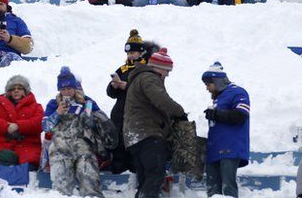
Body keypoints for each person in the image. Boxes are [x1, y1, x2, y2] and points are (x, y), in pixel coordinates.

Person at [42, 66, 114, 198]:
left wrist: (89, 118)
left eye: (69, 88)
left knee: (89, 180)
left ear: (75, 87)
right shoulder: (53, 104)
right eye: (63, 89)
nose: (67, 92)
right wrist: (57, 113)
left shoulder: (87, 102)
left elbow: (102, 124)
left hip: (84, 148)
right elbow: (45, 127)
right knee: (61, 188)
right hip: (60, 149)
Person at [124, 49, 186, 198]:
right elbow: (161, 99)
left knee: (146, 178)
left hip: (135, 135)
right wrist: (180, 112)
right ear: (158, 67)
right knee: (156, 175)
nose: (167, 75)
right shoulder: (149, 78)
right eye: (166, 70)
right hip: (147, 134)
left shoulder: (140, 78)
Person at [105, 30, 157, 174]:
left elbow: (146, 92)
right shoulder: (122, 69)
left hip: (137, 115)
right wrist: (114, 86)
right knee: (118, 147)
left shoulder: (147, 69)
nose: (130, 56)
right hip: (120, 115)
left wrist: (127, 87)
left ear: (141, 53)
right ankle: (118, 176)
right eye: (128, 53)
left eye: (133, 53)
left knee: (134, 148)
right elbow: (110, 94)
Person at [201, 62, 250, 198]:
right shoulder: (219, 98)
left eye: (208, 84)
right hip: (214, 150)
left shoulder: (237, 92)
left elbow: (241, 115)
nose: (207, 89)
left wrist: (216, 114)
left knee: (228, 188)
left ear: (217, 81)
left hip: (230, 148)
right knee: (212, 190)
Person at [0, 75, 44, 166]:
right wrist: (7, 126)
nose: (16, 90)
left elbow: (39, 123)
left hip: (27, 144)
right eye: (12, 89)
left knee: (30, 164)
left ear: (25, 91)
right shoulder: (0, 104)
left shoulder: (36, 107)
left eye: (19, 88)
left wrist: (18, 126)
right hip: (0, 143)